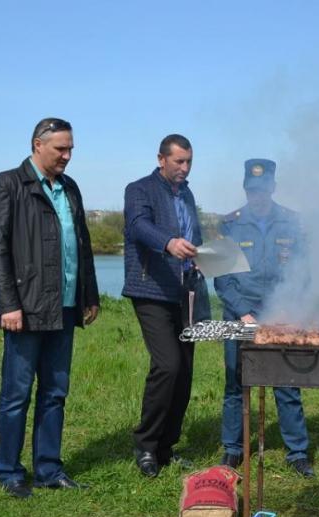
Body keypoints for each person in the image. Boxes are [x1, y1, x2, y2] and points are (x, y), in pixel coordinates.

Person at [0, 117, 100, 498]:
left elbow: (82, 244)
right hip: (26, 308)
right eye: (60, 149)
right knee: (17, 394)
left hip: (64, 307)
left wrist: (89, 295)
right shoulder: (7, 184)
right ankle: (10, 471)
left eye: (70, 149)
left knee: (55, 392)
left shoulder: (70, 188)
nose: (67, 156)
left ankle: (49, 469)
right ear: (38, 145)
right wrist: (7, 304)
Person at [213, 159, 315, 477]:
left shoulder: (292, 222)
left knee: (286, 381)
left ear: (273, 188)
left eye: (263, 189)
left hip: (280, 311)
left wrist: (289, 307)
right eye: (252, 190)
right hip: (239, 313)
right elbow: (222, 278)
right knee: (236, 381)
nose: (257, 196)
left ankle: (297, 452)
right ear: (245, 190)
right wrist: (243, 312)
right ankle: (233, 448)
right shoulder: (229, 224)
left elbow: (303, 272)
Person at [123, 133, 211, 477]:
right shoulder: (139, 189)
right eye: (178, 162)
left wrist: (201, 254)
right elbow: (138, 226)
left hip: (185, 291)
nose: (185, 168)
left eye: (189, 162)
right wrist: (168, 243)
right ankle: (145, 445)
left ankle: (166, 447)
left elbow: (193, 234)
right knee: (168, 366)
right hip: (151, 289)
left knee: (185, 370)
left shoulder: (187, 193)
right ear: (161, 160)